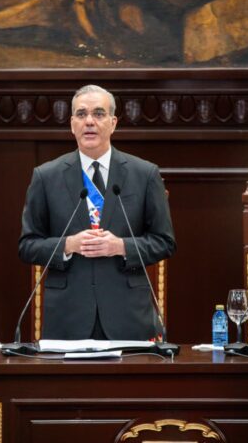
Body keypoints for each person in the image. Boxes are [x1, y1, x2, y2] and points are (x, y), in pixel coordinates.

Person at [18, 84, 176, 340]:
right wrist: (68, 245)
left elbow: (164, 242)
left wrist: (121, 246)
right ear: (72, 124)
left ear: (113, 123)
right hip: (68, 317)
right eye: (81, 114)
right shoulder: (46, 177)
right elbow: (27, 246)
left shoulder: (144, 174)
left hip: (128, 316)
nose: (89, 121)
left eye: (99, 114)